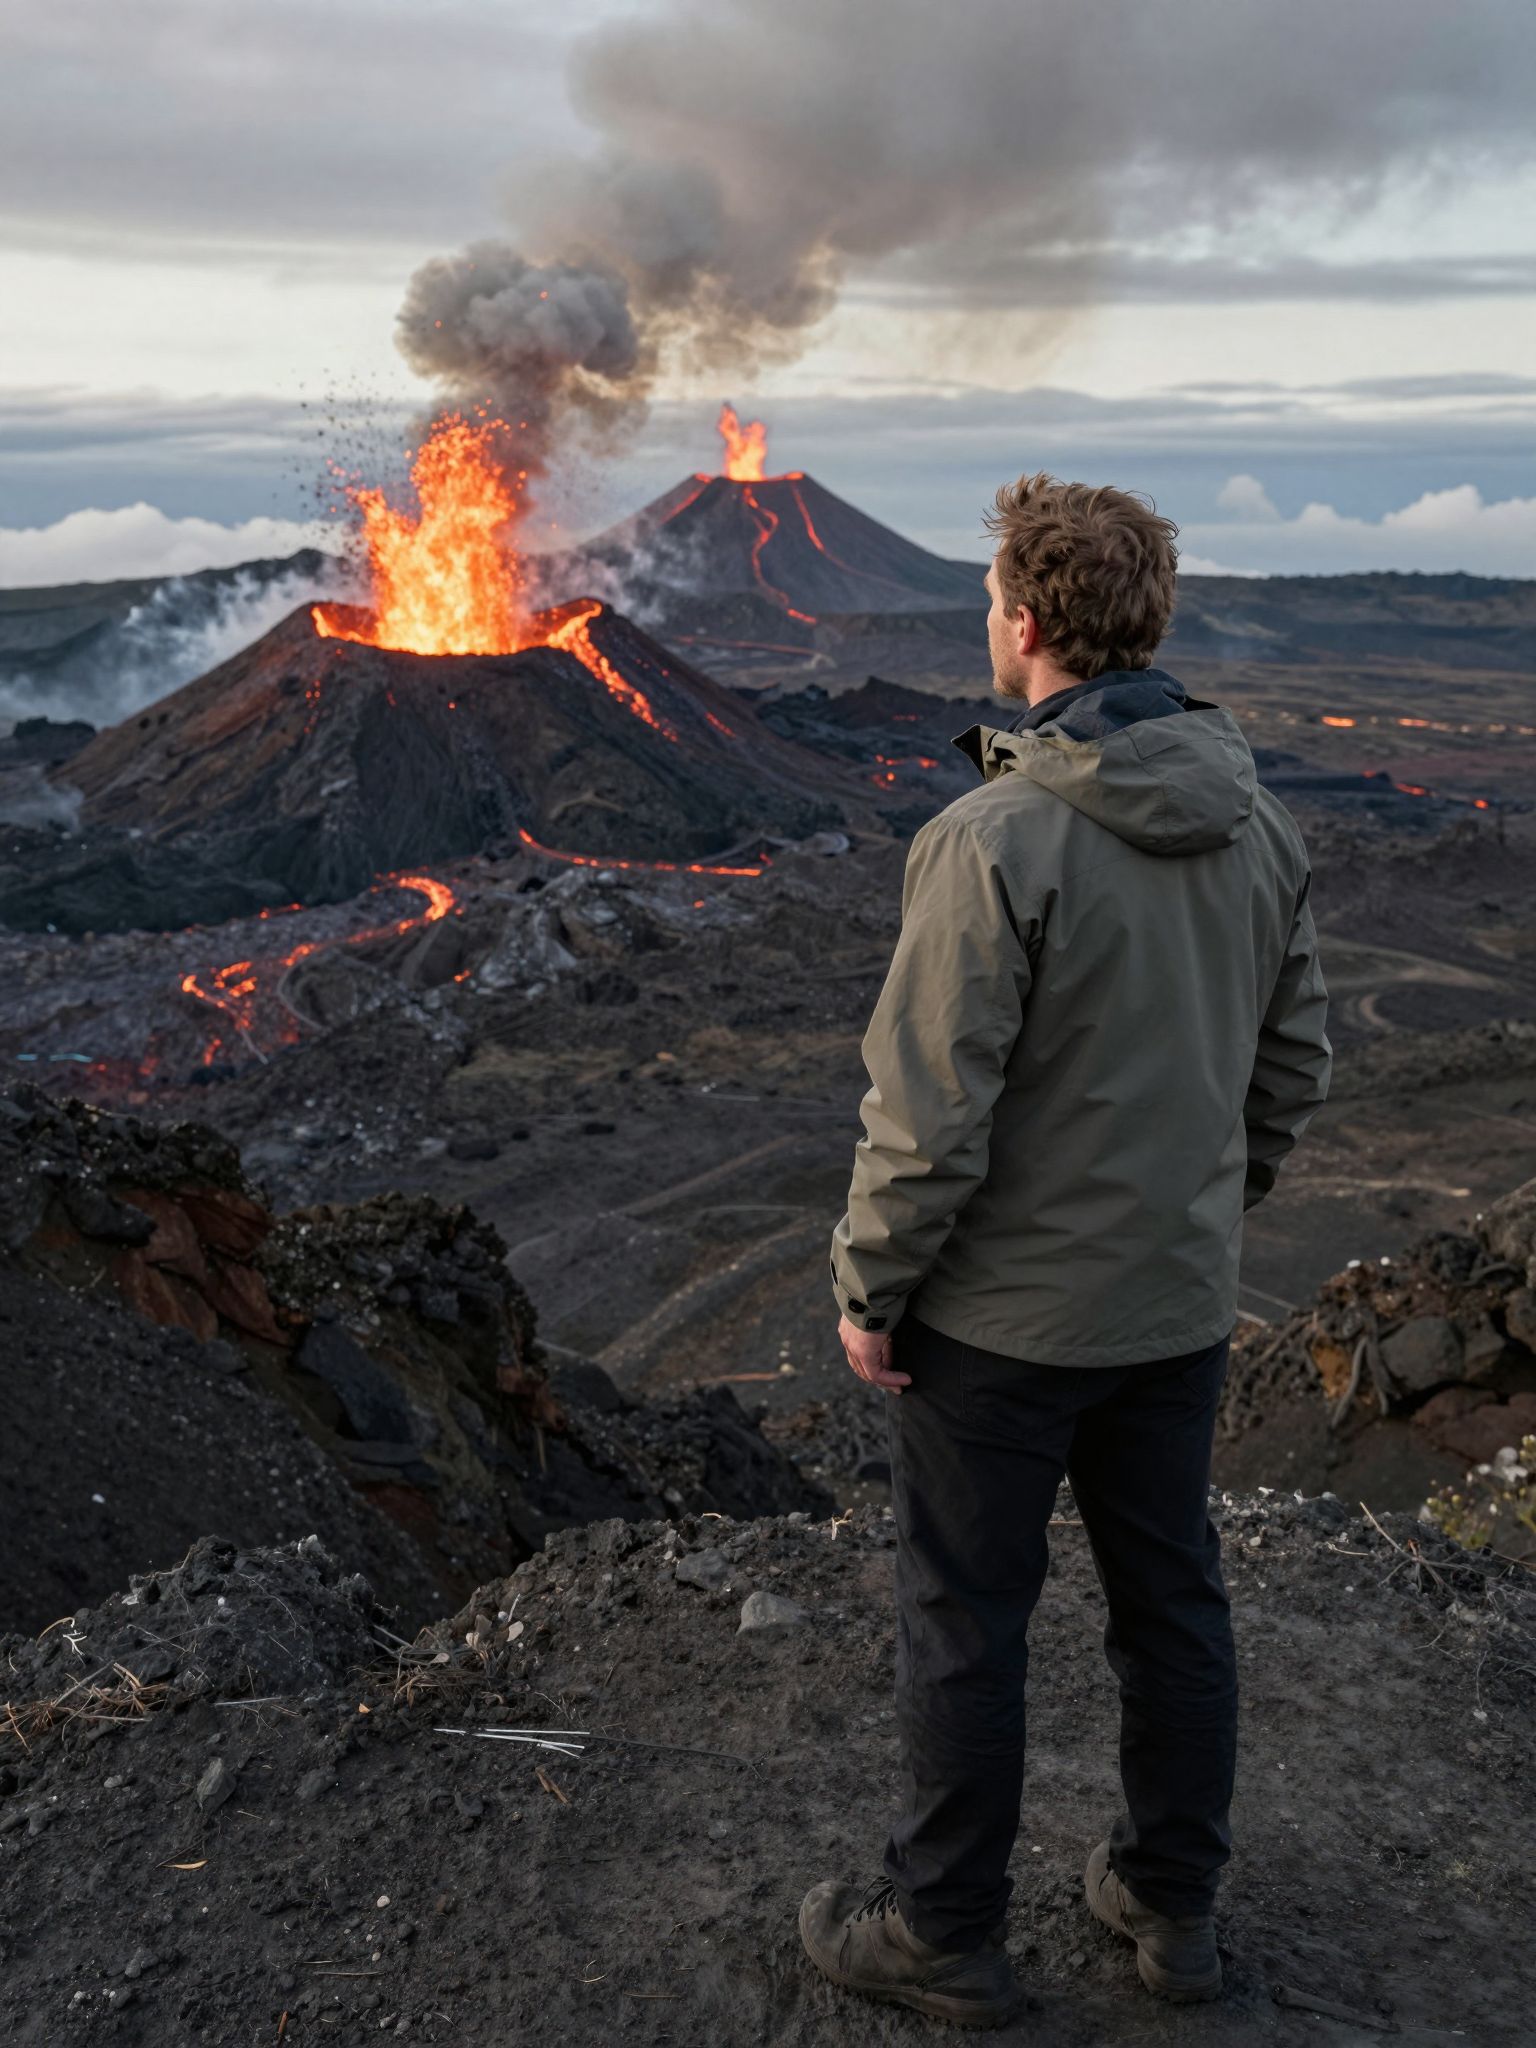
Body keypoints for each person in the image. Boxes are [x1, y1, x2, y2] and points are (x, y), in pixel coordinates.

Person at [798, 473, 1332, 2027]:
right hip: (1171, 1310)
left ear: (1025, 625)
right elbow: (1290, 1067)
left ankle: (946, 1932)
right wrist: (1199, 1219)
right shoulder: (1263, 821)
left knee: (968, 1615)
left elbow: (928, 1114)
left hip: (1003, 1331)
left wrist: (872, 1291)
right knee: (1174, 1602)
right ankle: (1176, 1911)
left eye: (988, 601)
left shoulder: (995, 837)